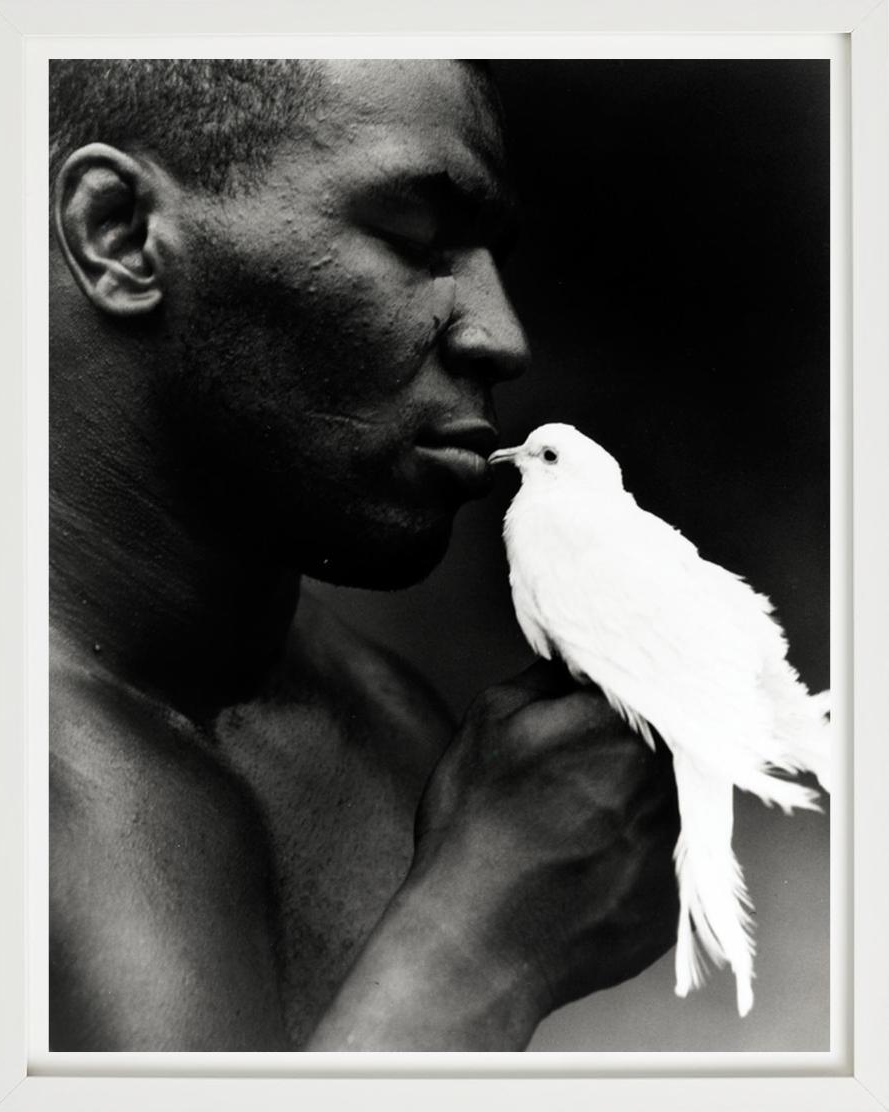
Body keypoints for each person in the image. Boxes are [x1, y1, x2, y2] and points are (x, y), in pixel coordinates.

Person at [49, 58, 680, 1051]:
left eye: (489, 256)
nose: (501, 336)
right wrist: (471, 952)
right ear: (119, 233)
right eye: (418, 237)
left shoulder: (397, 737)